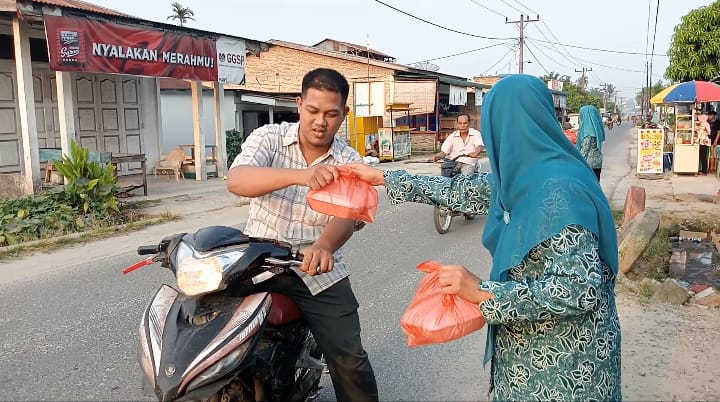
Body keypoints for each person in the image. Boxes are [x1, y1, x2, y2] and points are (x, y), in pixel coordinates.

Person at [348, 75, 621, 401]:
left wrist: (480, 291)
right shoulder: (523, 177)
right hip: (529, 358)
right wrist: (382, 176)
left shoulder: (560, 188)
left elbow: (579, 290)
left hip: (565, 372)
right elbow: (460, 190)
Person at [226, 68, 378, 402]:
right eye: (312, 110)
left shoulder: (350, 161)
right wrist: (301, 176)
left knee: (349, 360)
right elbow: (237, 180)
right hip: (257, 260)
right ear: (299, 104)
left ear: (344, 115)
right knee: (205, 325)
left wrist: (324, 245)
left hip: (317, 269)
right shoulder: (269, 138)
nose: (320, 121)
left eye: (331, 113)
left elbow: (347, 215)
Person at [577, 105, 606, 180]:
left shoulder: (588, 132)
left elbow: (584, 151)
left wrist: (576, 161)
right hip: (597, 163)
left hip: (588, 165)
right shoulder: (596, 130)